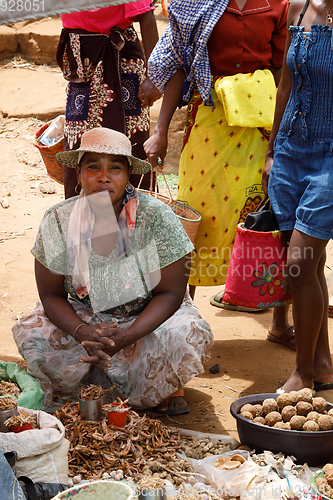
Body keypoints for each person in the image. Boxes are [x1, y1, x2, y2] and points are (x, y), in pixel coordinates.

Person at [12, 127, 214, 414]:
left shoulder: (156, 216)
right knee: (32, 332)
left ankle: (165, 387)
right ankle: (112, 384)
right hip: (85, 318)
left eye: (114, 168)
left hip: (146, 318)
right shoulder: (58, 219)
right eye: (92, 166)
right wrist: (82, 331)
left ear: (128, 173)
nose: (103, 177)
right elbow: (51, 293)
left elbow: (171, 292)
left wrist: (128, 335)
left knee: (187, 333)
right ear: (80, 174)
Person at [144, 0, 295, 350]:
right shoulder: (196, 3)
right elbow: (181, 64)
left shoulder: (278, 4)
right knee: (196, 216)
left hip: (259, 125)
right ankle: (184, 320)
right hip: (209, 118)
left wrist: (277, 136)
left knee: (264, 214)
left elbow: (281, 71)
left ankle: (278, 319)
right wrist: (161, 129)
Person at [262, 0, 333, 392]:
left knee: (299, 264)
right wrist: (273, 151)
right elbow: (285, 86)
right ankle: (322, 364)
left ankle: (302, 373)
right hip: (291, 152)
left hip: (330, 160)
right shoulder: (300, 7)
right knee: (312, 263)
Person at [56, 1, 162, 199]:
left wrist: (155, 76)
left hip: (123, 61)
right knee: (80, 144)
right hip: (82, 61)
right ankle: (90, 222)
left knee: (132, 140)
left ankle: (136, 222)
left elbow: (146, 15)